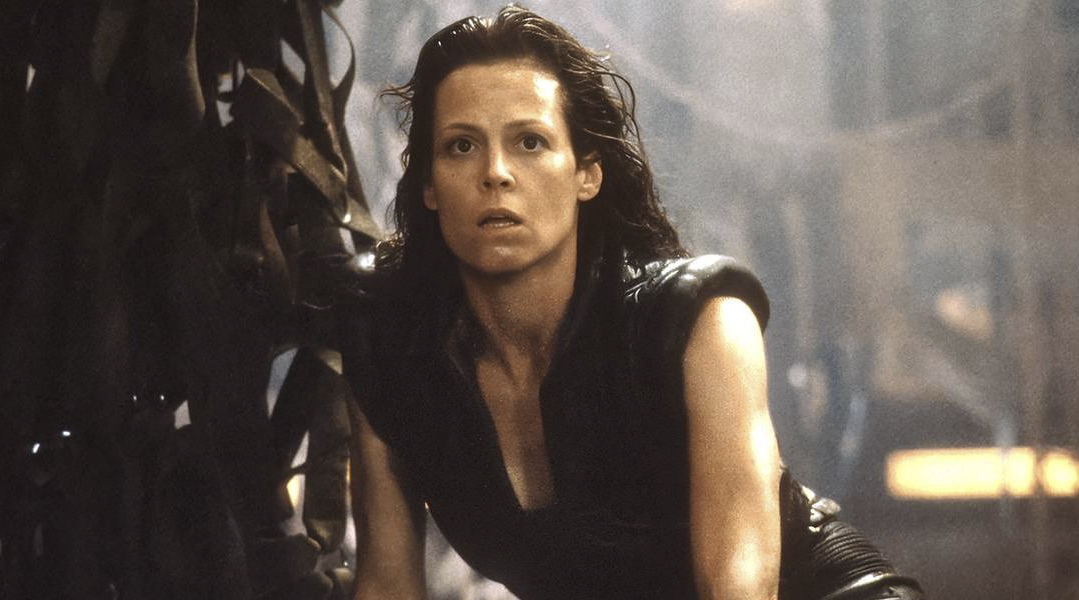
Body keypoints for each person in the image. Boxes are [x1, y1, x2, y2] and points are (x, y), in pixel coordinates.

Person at [341, 7, 921, 600]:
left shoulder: (698, 322)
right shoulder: (390, 347)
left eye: (530, 142)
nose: (496, 173)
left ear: (586, 174)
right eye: (461, 145)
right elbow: (386, 585)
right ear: (429, 184)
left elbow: (741, 592)